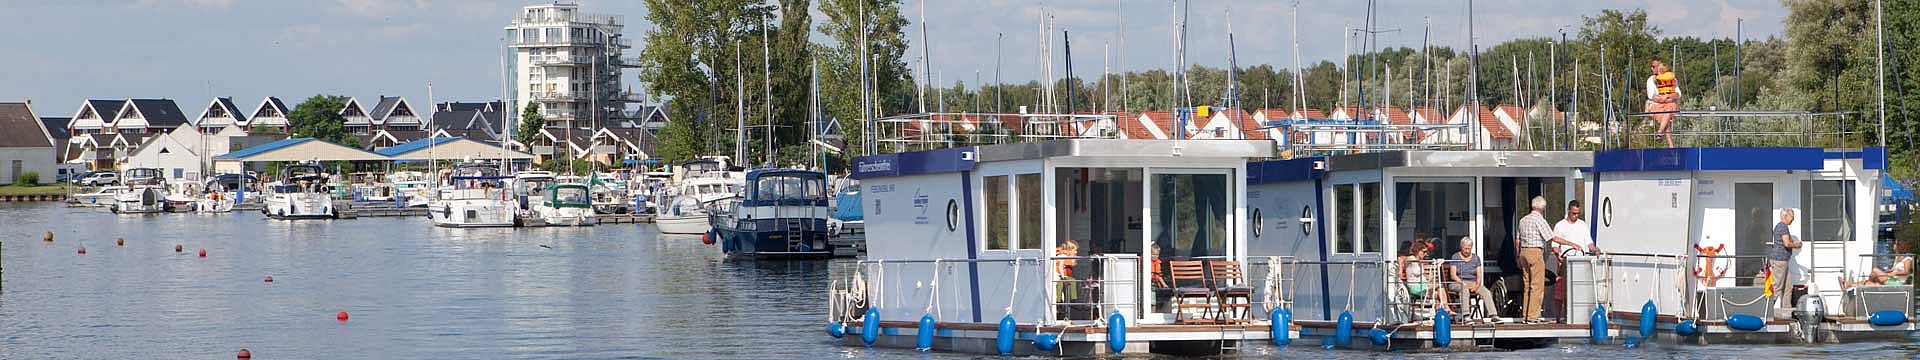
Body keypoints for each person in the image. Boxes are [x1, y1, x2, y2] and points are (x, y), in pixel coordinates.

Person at [1549, 200, 1601, 318]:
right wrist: (1559, 256)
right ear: (1568, 211)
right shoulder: (1560, 225)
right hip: (1565, 262)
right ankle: (1558, 317)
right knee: (1560, 289)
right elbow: (1555, 246)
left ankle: (1579, 316)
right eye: (1573, 213)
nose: (1575, 216)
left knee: (1579, 288)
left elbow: (1589, 243)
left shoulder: (1582, 225)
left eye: (1578, 213)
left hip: (1580, 262)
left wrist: (1595, 249)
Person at [1397, 239, 1452, 316]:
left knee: (1438, 294)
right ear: (1418, 251)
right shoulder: (1411, 259)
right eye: (1424, 252)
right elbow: (1400, 258)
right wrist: (1400, 270)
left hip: (1423, 285)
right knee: (1440, 285)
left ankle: (1439, 314)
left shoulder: (1419, 260)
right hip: (1415, 286)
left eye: (1426, 252)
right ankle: (1446, 309)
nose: (1426, 254)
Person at [1447, 236, 1497, 320]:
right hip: (1458, 282)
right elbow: (1453, 275)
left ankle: (1493, 315)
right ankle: (1466, 314)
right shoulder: (1455, 257)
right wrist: (1463, 283)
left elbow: (1479, 275)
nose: (1467, 251)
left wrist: (1477, 286)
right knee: (1464, 289)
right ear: (1461, 247)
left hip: (1473, 283)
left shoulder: (1476, 258)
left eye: (1469, 248)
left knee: (1486, 292)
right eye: (1465, 248)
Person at [1768, 209, 1801, 316]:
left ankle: (1787, 311)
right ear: (1786, 216)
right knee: (1777, 287)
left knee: (1788, 286)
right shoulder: (1783, 227)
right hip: (1780, 260)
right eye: (1792, 216)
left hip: (1783, 260)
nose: (1793, 219)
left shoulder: (1780, 226)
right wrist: (1796, 245)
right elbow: (1786, 243)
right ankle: (1767, 310)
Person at [1645, 58, 1682, 147]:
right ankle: (1670, 145)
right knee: (1666, 118)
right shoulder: (1651, 80)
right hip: (1656, 106)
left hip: (1669, 105)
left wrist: (1668, 97)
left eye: (1658, 66)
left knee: (1668, 111)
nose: (1656, 69)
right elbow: (1651, 96)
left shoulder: (1672, 79)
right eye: (1654, 67)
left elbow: (1678, 94)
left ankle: (1660, 133)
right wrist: (1661, 99)